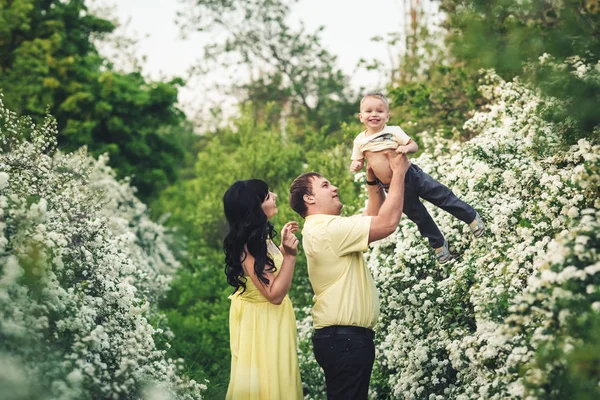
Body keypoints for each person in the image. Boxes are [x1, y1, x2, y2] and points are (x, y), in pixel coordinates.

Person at [289, 152, 411, 399]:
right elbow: (387, 223)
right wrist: (399, 173)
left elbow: (373, 217)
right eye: (325, 185)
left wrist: (372, 182)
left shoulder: (327, 228)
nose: (334, 188)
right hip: (344, 340)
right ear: (308, 198)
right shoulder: (327, 229)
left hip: (344, 340)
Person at [350, 92, 485, 264]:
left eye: (380, 111)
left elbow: (413, 144)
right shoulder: (360, 141)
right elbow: (358, 160)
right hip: (393, 188)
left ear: (387, 116)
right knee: (418, 216)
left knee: (440, 195)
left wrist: (407, 149)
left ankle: (472, 217)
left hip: (412, 175)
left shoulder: (393, 131)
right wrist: (356, 165)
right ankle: (438, 245)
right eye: (369, 111)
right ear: (361, 117)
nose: (374, 114)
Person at [223, 179, 303, 400]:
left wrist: (282, 246)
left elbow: (272, 273)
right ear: (255, 209)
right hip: (261, 324)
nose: (275, 195)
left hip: (272, 319)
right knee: (268, 384)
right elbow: (274, 294)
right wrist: (289, 256)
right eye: (268, 196)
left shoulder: (261, 238)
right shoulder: (248, 246)